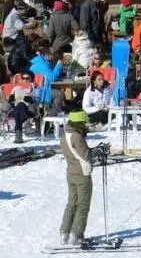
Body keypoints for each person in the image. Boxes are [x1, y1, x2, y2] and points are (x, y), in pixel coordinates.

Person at [59, 110, 105, 246]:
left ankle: (64, 232)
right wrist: (98, 150)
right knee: (83, 206)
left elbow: (77, 152)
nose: (86, 125)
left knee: (72, 204)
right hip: (82, 174)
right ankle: (76, 234)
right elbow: (86, 155)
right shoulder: (77, 136)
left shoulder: (65, 134)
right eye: (84, 123)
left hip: (71, 173)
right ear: (79, 123)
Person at [30, 48, 65, 116]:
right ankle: (52, 113)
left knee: (58, 92)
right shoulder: (41, 65)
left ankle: (53, 111)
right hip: (40, 91)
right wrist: (59, 65)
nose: (55, 59)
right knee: (59, 94)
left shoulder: (41, 61)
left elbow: (50, 72)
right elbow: (52, 77)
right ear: (49, 55)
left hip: (42, 87)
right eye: (55, 57)